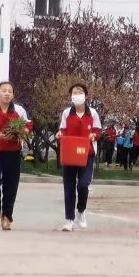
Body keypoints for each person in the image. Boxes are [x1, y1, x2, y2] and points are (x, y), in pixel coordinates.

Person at [0, 81, 32, 231]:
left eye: (10, 91)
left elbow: (28, 125)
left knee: (11, 186)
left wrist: (24, 131)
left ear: (13, 95)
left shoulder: (19, 111)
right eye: (4, 90)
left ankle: (7, 217)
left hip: (13, 153)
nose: (7, 93)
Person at [55, 83, 101, 231]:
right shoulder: (67, 113)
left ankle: (81, 210)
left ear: (86, 96)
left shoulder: (92, 113)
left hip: (86, 154)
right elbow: (63, 130)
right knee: (68, 187)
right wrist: (60, 134)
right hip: (70, 154)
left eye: (80, 92)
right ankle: (69, 219)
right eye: (74, 93)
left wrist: (94, 135)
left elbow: (98, 131)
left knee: (83, 185)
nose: (77, 95)